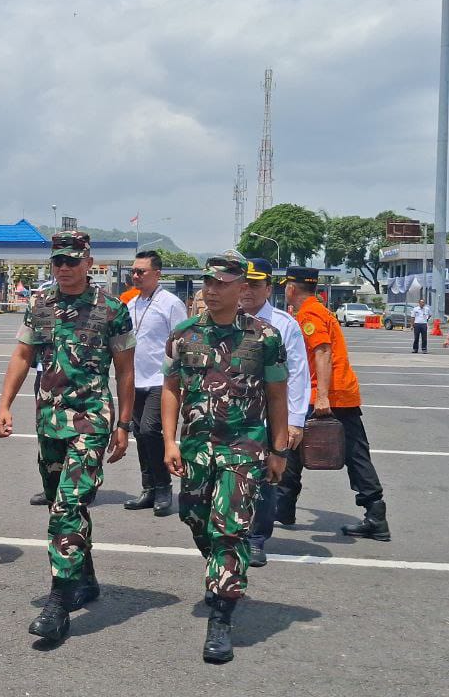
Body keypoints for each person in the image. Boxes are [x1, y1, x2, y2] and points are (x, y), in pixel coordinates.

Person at [0, 230, 135, 644]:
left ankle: (58, 602)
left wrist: (124, 424)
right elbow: (23, 355)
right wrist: (4, 405)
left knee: (67, 505)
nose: (65, 267)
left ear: (89, 262)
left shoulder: (112, 309)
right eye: (58, 261)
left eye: (72, 260)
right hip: (50, 421)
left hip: (91, 420)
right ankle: (84, 578)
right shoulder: (39, 303)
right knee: (63, 503)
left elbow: (125, 370)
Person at [162, 253, 289, 664]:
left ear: (242, 289)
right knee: (194, 517)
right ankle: (221, 566)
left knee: (229, 528)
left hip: (244, 447)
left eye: (221, 284)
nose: (212, 290)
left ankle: (221, 615)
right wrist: (169, 442)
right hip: (196, 448)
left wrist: (279, 449)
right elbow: (171, 389)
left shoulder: (265, 337)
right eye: (208, 283)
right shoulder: (184, 334)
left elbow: (277, 396)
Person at [276, 266, 390, 541]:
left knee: (347, 454)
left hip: (329, 396)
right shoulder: (320, 310)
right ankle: (283, 507)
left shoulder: (309, 314)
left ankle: (375, 516)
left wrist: (323, 396)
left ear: (291, 288)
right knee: (295, 449)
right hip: (334, 393)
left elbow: (323, 351)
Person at [240, 258, 310, 567]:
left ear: (268, 289)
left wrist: (295, 421)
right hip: (232, 414)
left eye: (255, 285)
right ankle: (231, 533)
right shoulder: (224, 319)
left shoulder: (284, 325)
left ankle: (256, 538)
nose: (247, 290)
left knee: (267, 478)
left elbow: (298, 374)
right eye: (243, 284)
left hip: (270, 417)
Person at [123, 249, 187, 516]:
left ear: (157, 274)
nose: (135, 276)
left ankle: (163, 487)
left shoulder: (171, 303)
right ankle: (148, 488)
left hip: (161, 380)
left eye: (141, 271)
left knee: (151, 430)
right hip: (135, 380)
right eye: (133, 271)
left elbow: (183, 341)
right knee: (140, 433)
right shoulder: (131, 304)